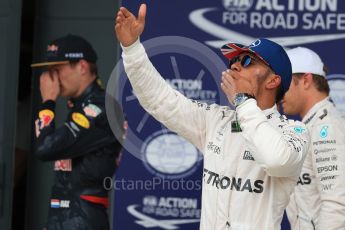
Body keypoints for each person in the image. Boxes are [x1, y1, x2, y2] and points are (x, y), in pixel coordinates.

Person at [115, 4, 310, 230]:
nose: (236, 65)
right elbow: (160, 100)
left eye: (247, 61)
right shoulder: (216, 120)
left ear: (273, 81)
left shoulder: (294, 132)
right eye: (234, 61)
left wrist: (242, 102)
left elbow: (276, 160)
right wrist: (131, 49)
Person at [31, 34, 124, 230]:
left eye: (57, 69)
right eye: (49, 70)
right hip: (63, 218)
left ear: (82, 67)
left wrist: (48, 102)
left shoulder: (102, 107)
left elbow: (46, 148)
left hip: (82, 220)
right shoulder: (79, 106)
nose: (51, 77)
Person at [283, 47, 345, 230]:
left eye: (285, 84)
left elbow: (338, 204)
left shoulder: (325, 127)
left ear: (306, 80)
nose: (278, 94)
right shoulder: (314, 124)